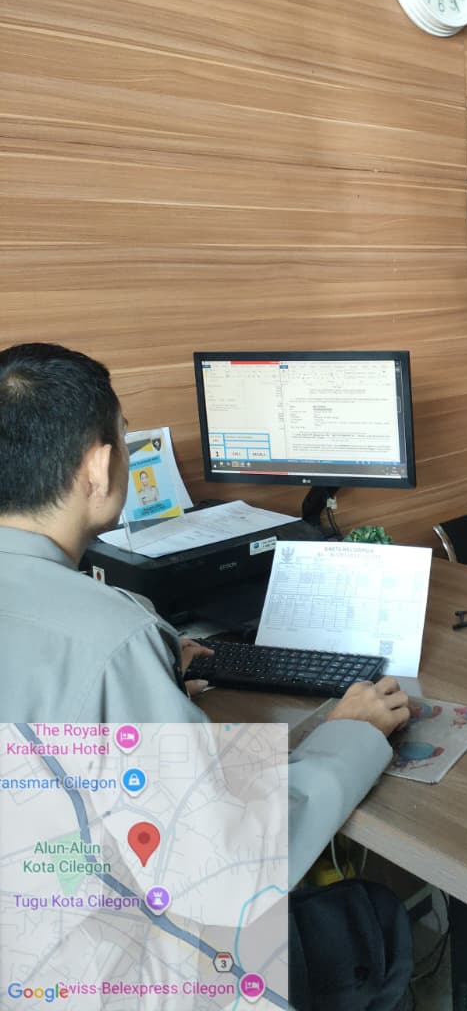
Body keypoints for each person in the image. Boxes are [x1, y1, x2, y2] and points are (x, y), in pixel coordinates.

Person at [0, 342, 413, 1008]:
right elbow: (223, 866)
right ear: (100, 466)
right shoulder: (113, 640)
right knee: (371, 918)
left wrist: (149, 669)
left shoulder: (112, 638)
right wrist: (349, 735)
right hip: (110, 974)